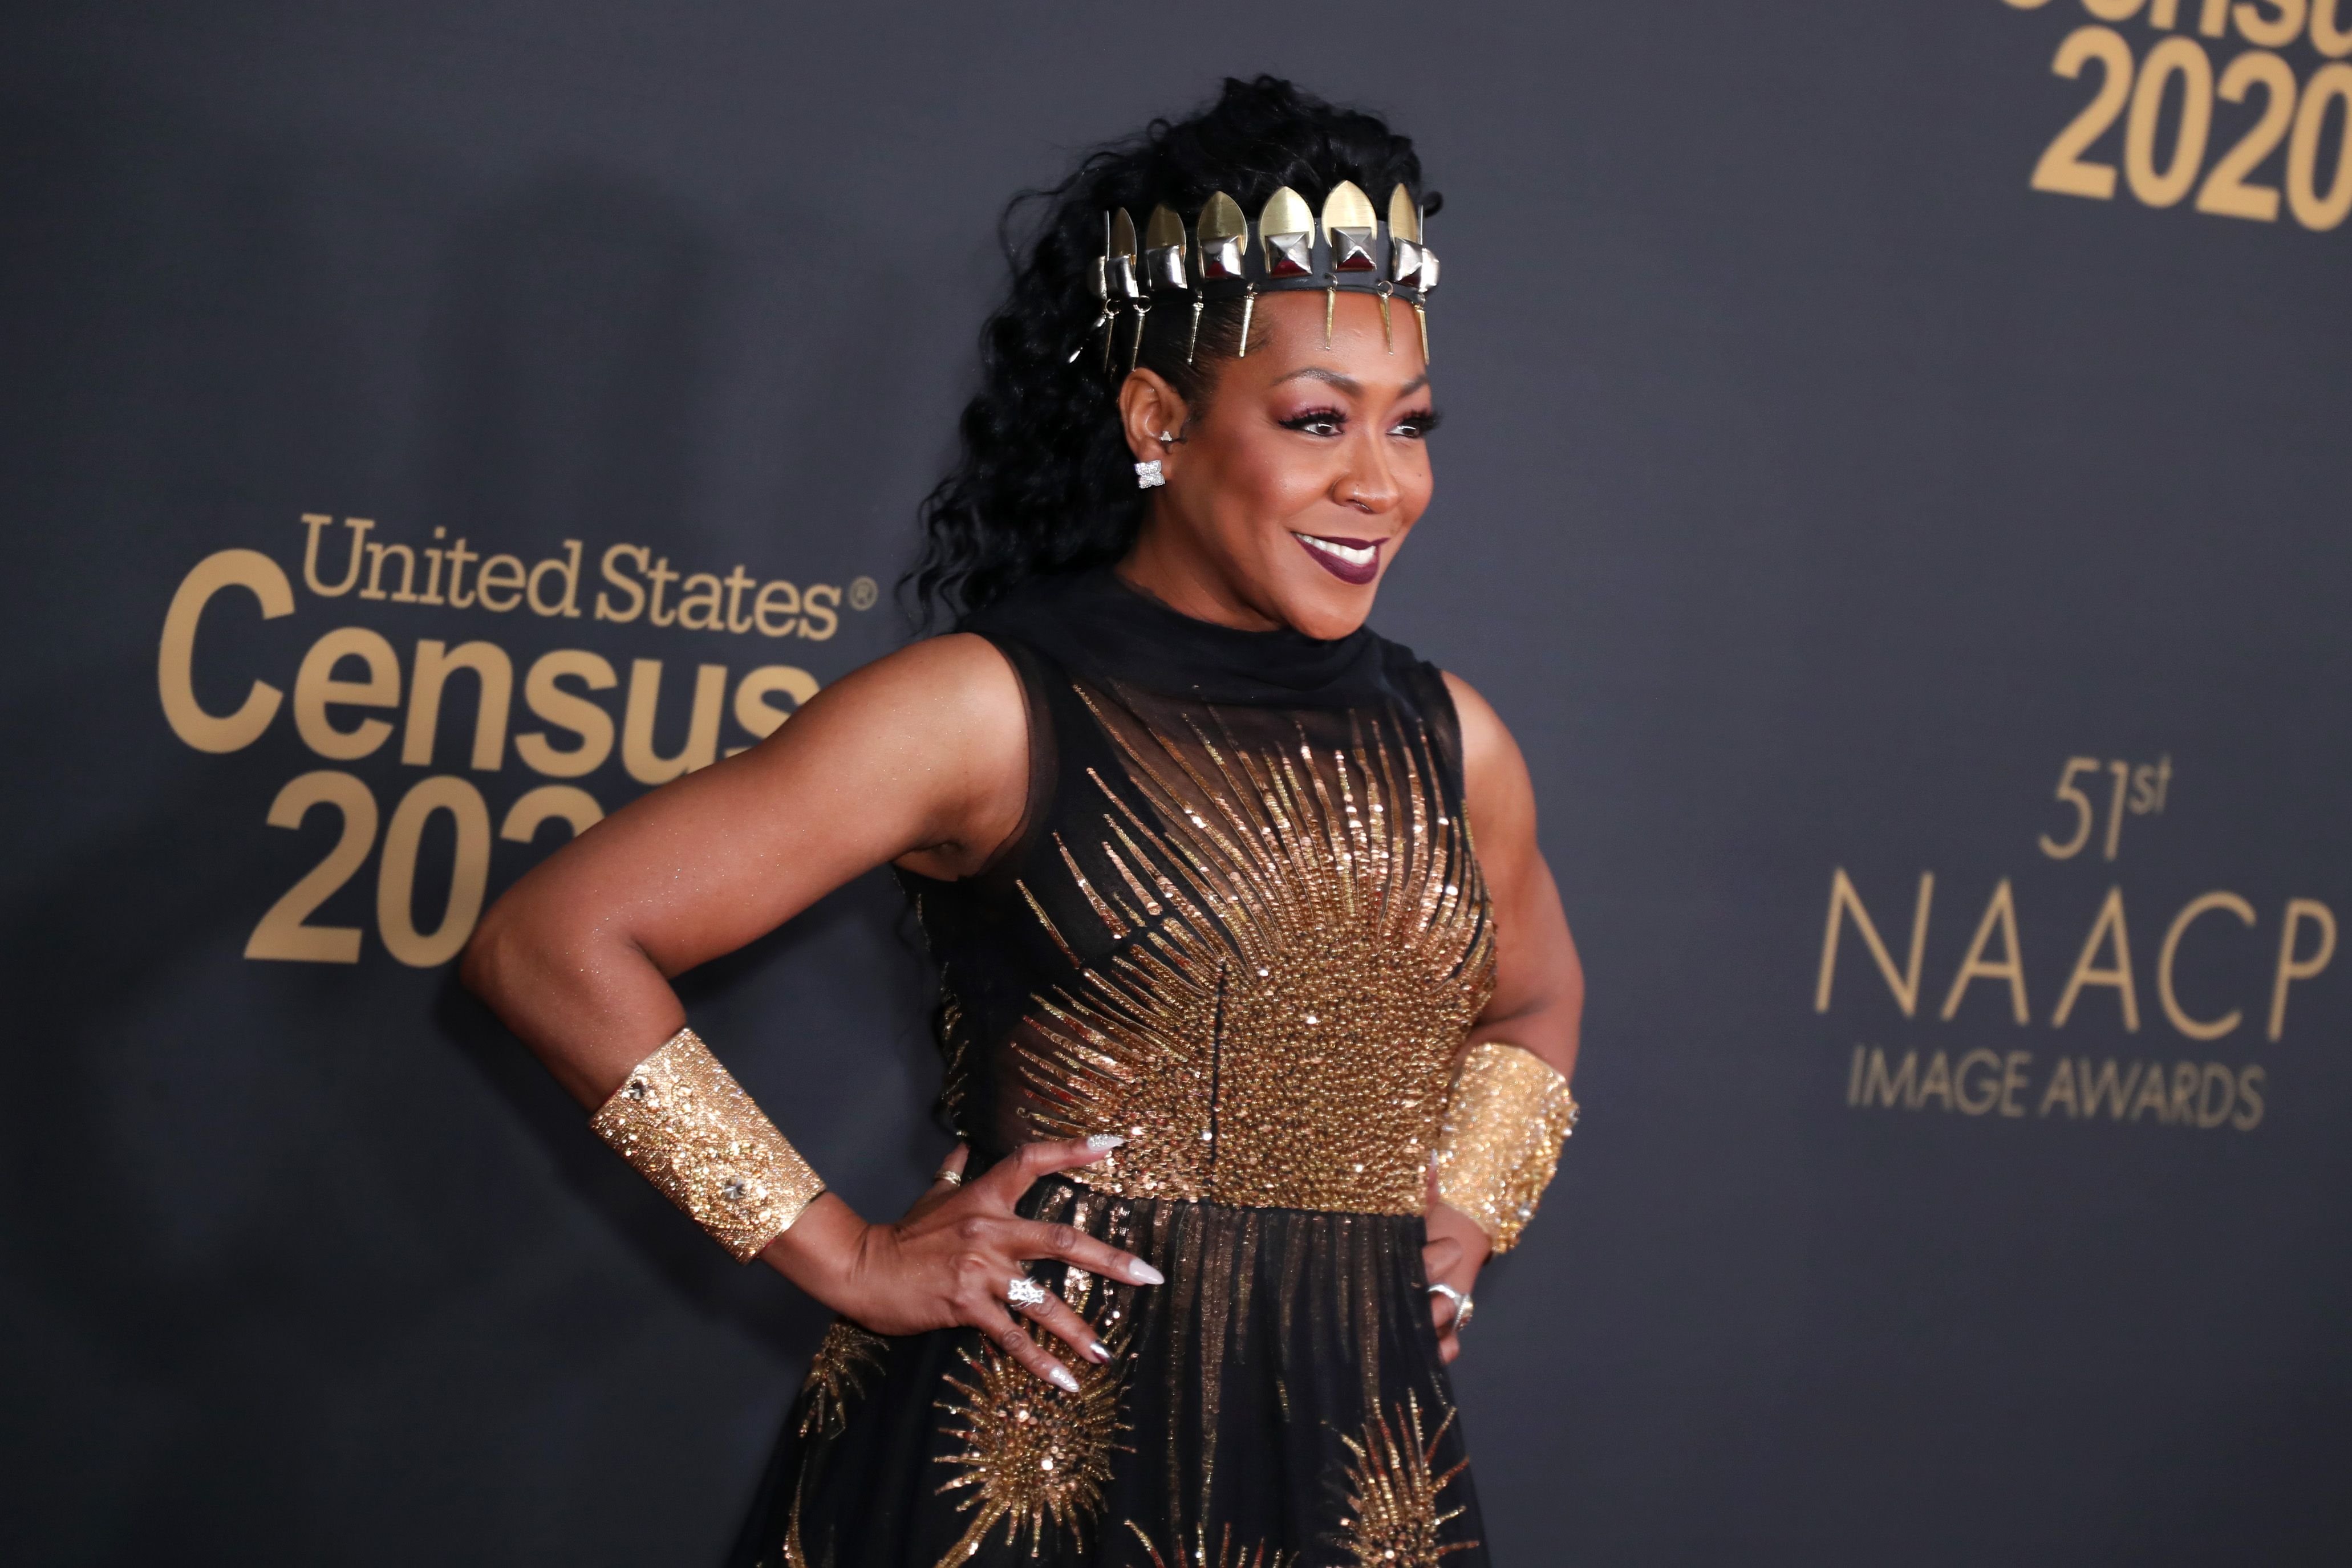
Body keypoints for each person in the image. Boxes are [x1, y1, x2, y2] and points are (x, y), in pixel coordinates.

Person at [461, 75, 1584, 1568]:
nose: (1379, 484)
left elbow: (1536, 1000)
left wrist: (1460, 1216)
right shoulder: (986, 709)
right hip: (1027, 1457)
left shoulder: (1453, 740)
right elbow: (554, 944)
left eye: (1411, 425)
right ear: (1156, 421)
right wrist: (844, 1252)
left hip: (1349, 1468)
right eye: (1317, 421)